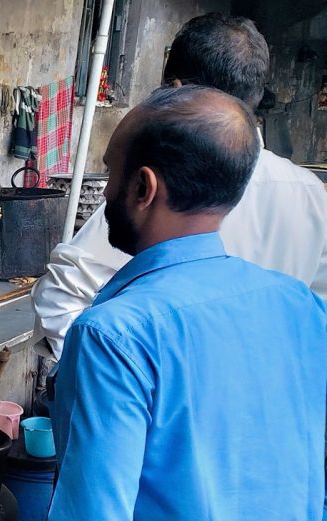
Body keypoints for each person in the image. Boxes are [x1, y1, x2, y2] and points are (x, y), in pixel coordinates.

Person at [46, 85, 326, 521]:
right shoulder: (300, 305)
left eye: (110, 172)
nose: (107, 190)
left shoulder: (114, 336)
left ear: (143, 187)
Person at [31, 13, 327, 360]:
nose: (109, 191)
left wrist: (97, 380)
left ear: (174, 92)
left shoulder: (169, 192)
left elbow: (62, 295)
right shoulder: (312, 197)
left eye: (112, 176)